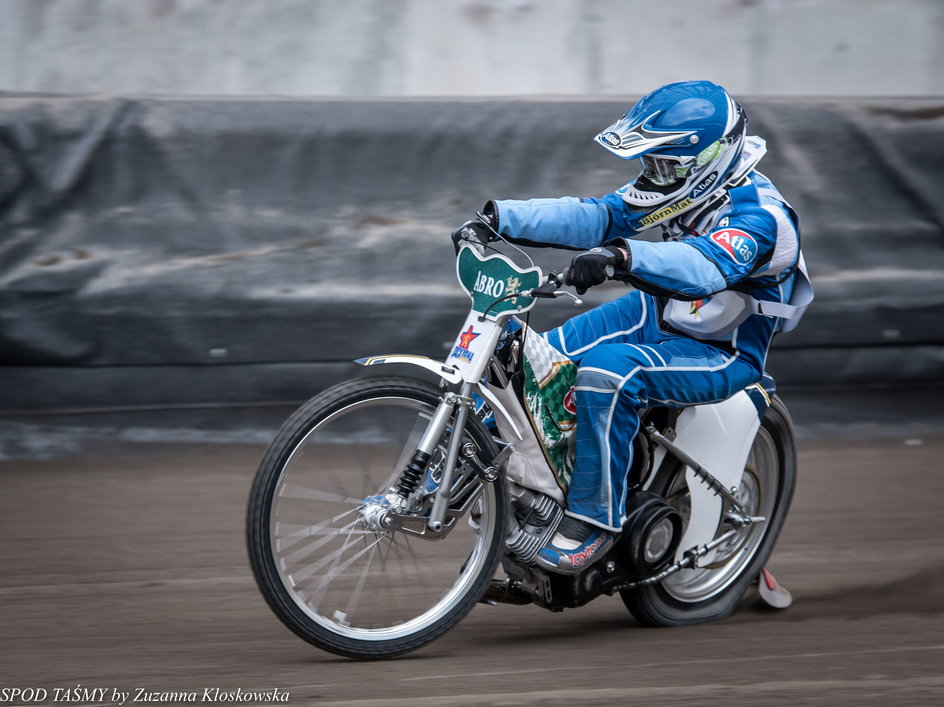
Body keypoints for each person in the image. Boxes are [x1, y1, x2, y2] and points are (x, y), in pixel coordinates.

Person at [452, 80, 811, 575]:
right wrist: (501, 217)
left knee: (607, 374)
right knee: (532, 362)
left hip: (724, 350)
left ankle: (593, 524)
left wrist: (622, 256)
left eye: (664, 163)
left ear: (709, 158)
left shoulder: (762, 217)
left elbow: (704, 265)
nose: (653, 174)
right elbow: (599, 215)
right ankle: (479, 478)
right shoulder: (685, 185)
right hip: (652, 313)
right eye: (650, 162)